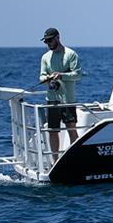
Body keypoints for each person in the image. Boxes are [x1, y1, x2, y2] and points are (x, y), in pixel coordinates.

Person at [39, 27, 82, 163]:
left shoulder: (71, 54)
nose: (48, 43)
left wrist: (61, 75)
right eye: (46, 41)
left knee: (71, 128)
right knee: (53, 130)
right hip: (52, 100)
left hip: (67, 100)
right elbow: (41, 76)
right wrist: (47, 79)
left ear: (58, 38)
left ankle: (76, 159)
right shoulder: (45, 57)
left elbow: (78, 75)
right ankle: (55, 160)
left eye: (50, 40)